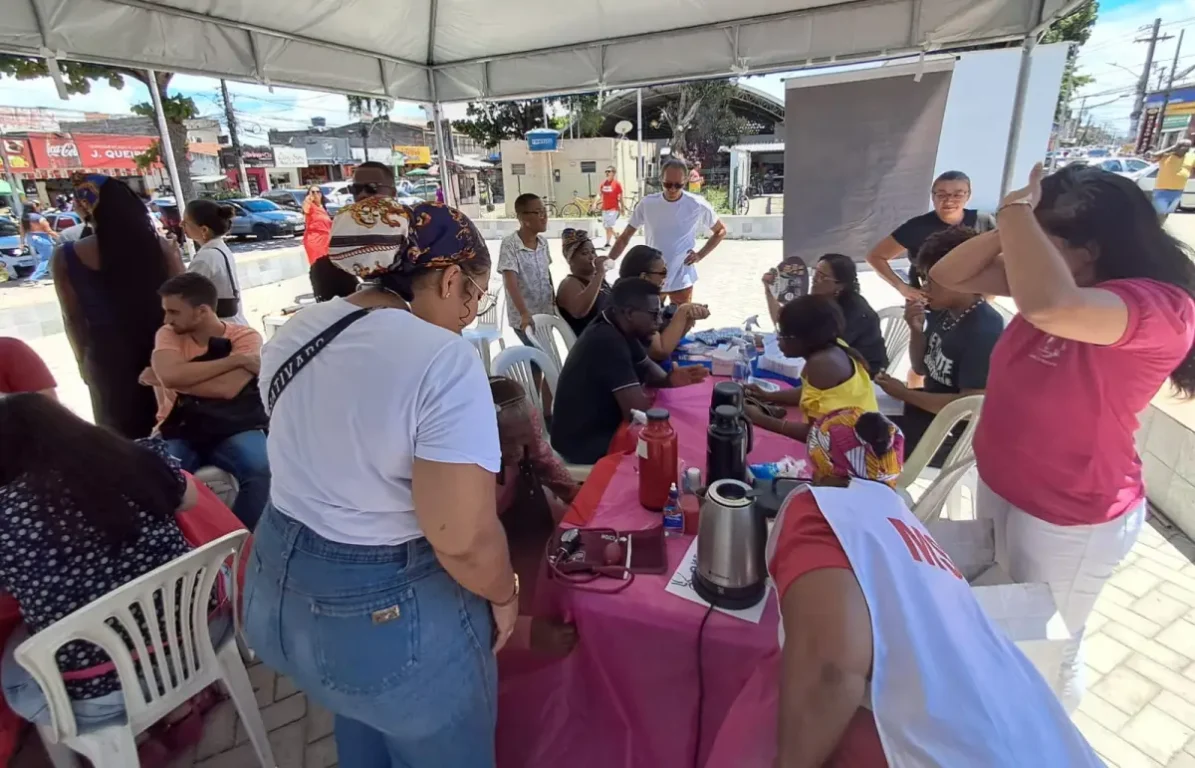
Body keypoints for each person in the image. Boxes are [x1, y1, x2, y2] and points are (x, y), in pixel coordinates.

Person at [244, 198, 517, 768]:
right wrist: (505, 594)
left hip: (276, 590)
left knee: (361, 714)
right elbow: (462, 539)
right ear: (449, 279)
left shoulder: (299, 328)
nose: (469, 315)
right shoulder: (443, 359)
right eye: (473, 296)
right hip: (380, 613)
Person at [928, 163, 1195, 710]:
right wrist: (1014, 225)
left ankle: (1048, 738)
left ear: (1090, 249)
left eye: (1041, 239)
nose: (1022, 254)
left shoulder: (1158, 307)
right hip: (1006, 483)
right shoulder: (1060, 279)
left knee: (1048, 648)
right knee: (1007, 618)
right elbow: (949, 273)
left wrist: (1015, 213)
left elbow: (1051, 307)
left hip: (1070, 510)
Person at [761, 406, 1101, 767]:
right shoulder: (909, 526)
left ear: (818, 461)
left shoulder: (823, 510)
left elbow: (831, 667)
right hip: (1047, 743)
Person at [0, 393, 213, 729]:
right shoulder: (133, 456)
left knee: (17, 664)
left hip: (103, 692)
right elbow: (188, 499)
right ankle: (178, 705)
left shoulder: (6, 515)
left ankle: (128, 737)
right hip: (200, 633)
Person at [53, 173, 184, 439]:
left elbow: (73, 318)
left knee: (121, 437)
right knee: (173, 430)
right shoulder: (160, 248)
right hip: (162, 348)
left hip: (107, 357)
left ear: (86, 207)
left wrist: (82, 360)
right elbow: (186, 300)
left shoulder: (66, 257)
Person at [149, 273, 270, 530]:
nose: (167, 319)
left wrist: (179, 378)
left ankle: (238, 539)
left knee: (263, 469)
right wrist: (235, 361)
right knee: (157, 481)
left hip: (233, 424)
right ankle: (183, 543)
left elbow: (228, 389)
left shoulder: (245, 337)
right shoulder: (168, 333)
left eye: (174, 312)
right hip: (178, 426)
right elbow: (170, 376)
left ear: (202, 311)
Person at [875, 227, 1004, 462]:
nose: (924, 288)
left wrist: (905, 394)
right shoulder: (944, 311)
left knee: (858, 441)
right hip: (927, 410)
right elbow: (921, 367)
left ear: (961, 280)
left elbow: (968, 407)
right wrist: (916, 330)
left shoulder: (984, 330)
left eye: (931, 281)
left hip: (950, 435)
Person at [550, 277, 709, 464]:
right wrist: (650, 392)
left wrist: (669, 379)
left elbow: (647, 368)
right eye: (654, 314)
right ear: (630, 313)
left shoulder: (617, 323)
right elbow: (637, 412)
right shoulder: (607, 341)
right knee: (670, 444)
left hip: (592, 427)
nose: (659, 321)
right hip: (582, 443)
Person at [490, 377, 579, 657]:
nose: (518, 452)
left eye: (524, 441)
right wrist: (524, 632)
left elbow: (544, 462)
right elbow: (462, 575)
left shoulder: (524, 449)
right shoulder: (465, 486)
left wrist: (577, 499)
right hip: (497, 596)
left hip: (531, 553)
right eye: (507, 443)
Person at [745, 295, 879, 443]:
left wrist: (759, 418)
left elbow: (814, 434)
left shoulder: (822, 364)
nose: (778, 339)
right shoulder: (833, 345)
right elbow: (810, 392)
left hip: (853, 448)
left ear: (803, 339)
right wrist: (768, 396)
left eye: (783, 334)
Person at [608, 157, 727, 306]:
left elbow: (720, 230)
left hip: (682, 277)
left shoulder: (696, 204)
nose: (672, 189)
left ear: (686, 181)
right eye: (668, 184)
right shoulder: (647, 204)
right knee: (651, 318)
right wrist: (608, 261)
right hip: (653, 277)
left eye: (678, 185)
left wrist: (699, 255)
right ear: (661, 180)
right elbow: (625, 237)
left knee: (681, 318)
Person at [865, 170, 994, 302]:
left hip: (974, 299)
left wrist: (988, 297)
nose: (949, 200)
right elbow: (875, 257)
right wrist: (901, 286)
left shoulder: (984, 222)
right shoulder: (916, 227)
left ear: (968, 195)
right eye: (942, 195)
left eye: (958, 195)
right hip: (929, 300)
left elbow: (1001, 259)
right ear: (933, 196)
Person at [767, 254, 887, 376]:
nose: (814, 279)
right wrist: (770, 289)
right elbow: (786, 323)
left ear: (840, 285)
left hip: (865, 374)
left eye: (822, 277)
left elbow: (822, 347)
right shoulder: (821, 301)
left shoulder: (854, 312)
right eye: (815, 273)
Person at [618, 244, 710, 361]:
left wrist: (689, 316)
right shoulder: (634, 305)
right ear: (644, 277)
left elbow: (671, 339)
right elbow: (660, 352)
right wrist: (682, 311)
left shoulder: (645, 296)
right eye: (663, 272)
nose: (666, 277)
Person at [500, 193, 556, 340]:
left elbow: (547, 274)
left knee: (548, 352)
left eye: (545, 211)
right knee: (537, 353)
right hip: (526, 319)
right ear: (523, 218)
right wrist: (524, 313)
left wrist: (554, 302)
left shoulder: (543, 243)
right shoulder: (510, 245)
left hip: (546, 314)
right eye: (539, 213)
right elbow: (510, 284)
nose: (544, 217)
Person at [182, 199, 246, 326]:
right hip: (234, 324)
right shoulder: (220, 249)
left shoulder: (206, 257)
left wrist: (172, 255)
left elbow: (183, 294)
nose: (180, 225)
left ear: (204, 230)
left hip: (221, 328)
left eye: (185, 222)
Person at [555, 228, 611, 337]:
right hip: (592, 341)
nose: (592, 257)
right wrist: (599, 274)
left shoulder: (596, 279)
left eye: (593, 251)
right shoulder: (569, 284)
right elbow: (579, 311)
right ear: (571, 259)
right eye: (585, 253)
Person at [1149, 139, 1193, 221]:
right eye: (1183, 146)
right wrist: (1171, 148)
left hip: (1178, 191)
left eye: (1188, 147)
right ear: (1177, 147)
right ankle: (1153, 227)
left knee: (1167, 213)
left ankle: (1160, 226)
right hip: (1162, 190)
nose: (1185, 149)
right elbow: (1154, 155)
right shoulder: (1166, 156)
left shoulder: (1191, 157)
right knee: (1158, 213)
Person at [20, 208, 56, 282]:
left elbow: (22, 231)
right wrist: (60, 236)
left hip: (31, 238)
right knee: (47, 259)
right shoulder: (39, 218)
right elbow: (48, 231)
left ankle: (54, 275)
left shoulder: (24, 219)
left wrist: (21, 243)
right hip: (42, 238)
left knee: (48, 258)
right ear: (34, 207)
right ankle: (35, 277)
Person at [302, 185, 333, 265]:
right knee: (319, 264)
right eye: (313, 192)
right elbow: (305, 208)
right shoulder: (310, 205)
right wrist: (309, 199)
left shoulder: (322, 207)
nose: (315, 194)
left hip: (326, 240)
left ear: (321, 194)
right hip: (315, 240)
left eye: (318, 192)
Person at [598, 166, 623, 249]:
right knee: (606, 226)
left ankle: (609, 241)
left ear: (613, 173)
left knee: (608, 225)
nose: (607, 173)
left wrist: (622, 208)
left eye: (609, 171)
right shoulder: (603, 184)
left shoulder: (617, 184)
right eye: (606, 171)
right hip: (605, 208)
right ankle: (614, 238)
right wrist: (595, 203)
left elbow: (620, 197)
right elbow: (600, 195)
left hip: (613, 208)